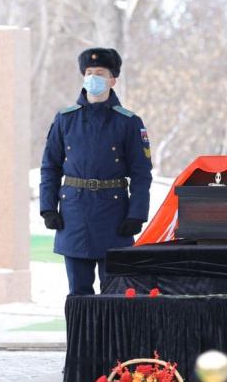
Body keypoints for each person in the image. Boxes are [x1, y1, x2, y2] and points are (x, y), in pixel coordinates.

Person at [39, 47, 152, 296]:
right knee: (78, 292)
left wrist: (136, 215)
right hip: (74, 213)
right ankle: (81, 326)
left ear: (112, 79)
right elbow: (50, 167)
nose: (93, 78)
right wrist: (48, 208)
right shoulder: (65, 119)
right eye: (89, 72)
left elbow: (141, 173)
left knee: (115, 293)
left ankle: (111, 327)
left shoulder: (128, 122)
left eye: (100, 73)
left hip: (114, 215)